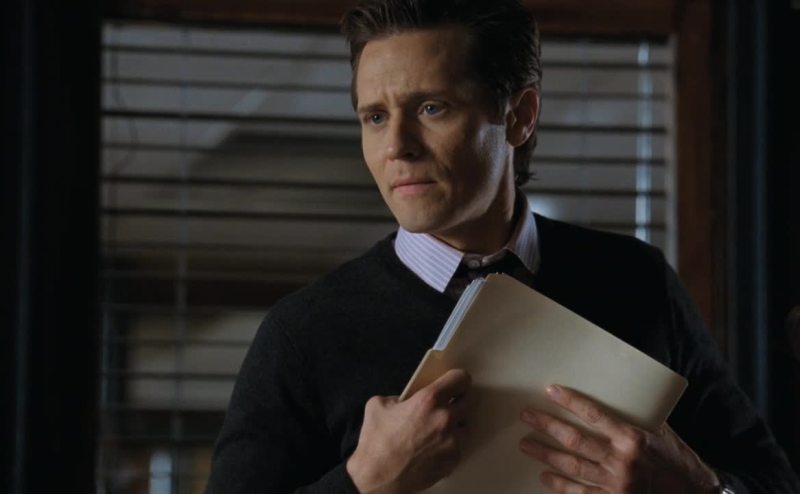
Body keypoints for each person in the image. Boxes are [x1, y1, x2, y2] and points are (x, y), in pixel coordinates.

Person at [205, 0, 800, 492]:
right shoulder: (303, 334)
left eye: (431, 107)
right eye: (375, 117)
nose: (397, 146)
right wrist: (364, 483)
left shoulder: (636, 281)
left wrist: (695, 488)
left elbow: (772, 482)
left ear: (520, 116)